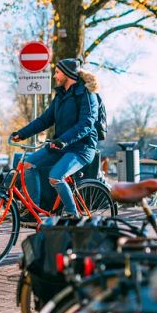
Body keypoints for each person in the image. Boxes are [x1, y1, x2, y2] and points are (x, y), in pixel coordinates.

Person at [10, 58, 99, 218]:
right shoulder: (61, 96)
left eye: (57, 72)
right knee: (27, 165)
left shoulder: (87, 95)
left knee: (55, 177)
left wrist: (63, 140)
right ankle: (34, 210)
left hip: (81, 149)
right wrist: (21, 133)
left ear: (67, 74)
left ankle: (72, 214)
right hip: (61, 146)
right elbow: (44, 120)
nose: (55, 76)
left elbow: (86, 124)